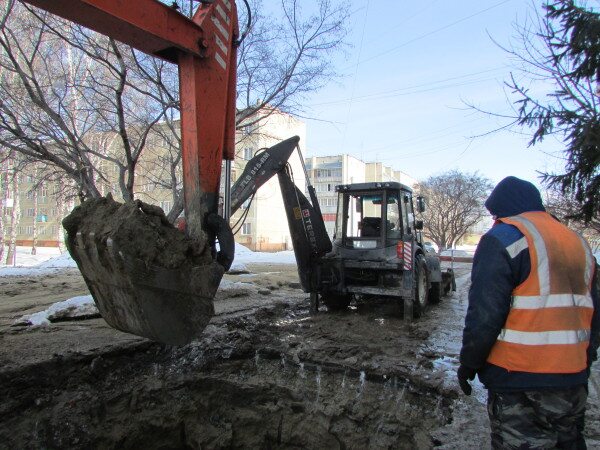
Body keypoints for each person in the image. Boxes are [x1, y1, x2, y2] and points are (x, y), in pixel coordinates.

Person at [457, 176, 600, 449]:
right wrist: (584, 357)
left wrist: (469, 363)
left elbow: (485, 315)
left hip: (519, 380)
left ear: (504, 208)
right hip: (572, 380)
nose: (494, 219)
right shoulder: (578, 243)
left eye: (495, 213)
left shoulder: (504, 238)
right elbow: (596, 311)